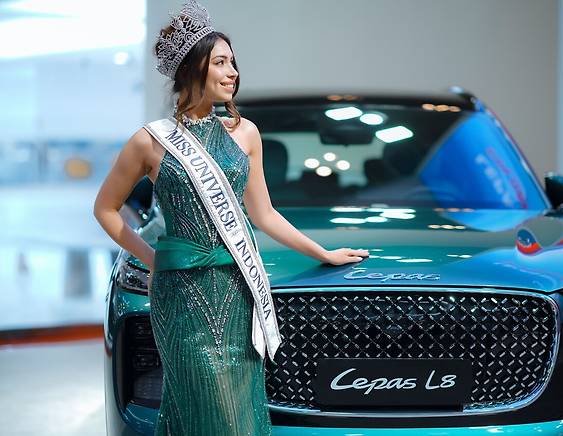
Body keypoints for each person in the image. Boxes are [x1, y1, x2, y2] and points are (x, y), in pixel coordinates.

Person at [92, 1, 369, 434]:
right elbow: (105, 209)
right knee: (204, 401)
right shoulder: (151, 141)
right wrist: (152, 258)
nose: (232, 72)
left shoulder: (246, 133)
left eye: (233, 63)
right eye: (220, 62)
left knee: (238, 405)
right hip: (181, 295)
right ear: (191, 69)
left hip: (237, 290)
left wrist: (324, 253)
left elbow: (264, 214)